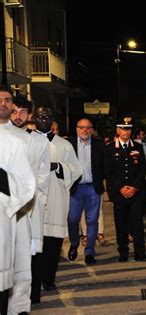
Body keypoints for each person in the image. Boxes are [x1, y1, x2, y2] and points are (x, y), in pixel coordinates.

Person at [33, 107, 83, 293]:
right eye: (40, 116)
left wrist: (59, 167)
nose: (44, 119)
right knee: (34, 244)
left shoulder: (64, 145)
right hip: (34, 201)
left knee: (53, 244)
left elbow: (76, 169)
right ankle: (34, 280)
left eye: (47, 117)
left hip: (55, 199)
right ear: (34, 118)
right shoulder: (26, 141)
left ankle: (49, 279)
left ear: (53, 120)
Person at [8, 95, 50, 309]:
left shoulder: (39, 141)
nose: (18, 116)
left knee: (26, 259)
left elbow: (43, 175)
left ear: (30, 115)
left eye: (23, 112)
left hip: (28, 209)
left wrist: (34, 203)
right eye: (14, 111)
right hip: (4, 207)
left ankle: (21, 306)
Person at [0, 88, 36, 314]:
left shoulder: (16, 142)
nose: (2, 103)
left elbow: (26, 185)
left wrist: (3, 179)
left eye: (7, 100)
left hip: (3, 214)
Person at [104, 117, 146, 261]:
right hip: (119, 193)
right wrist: (121, 187)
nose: (126, 132)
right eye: (123, 129)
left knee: (137, 223)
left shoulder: (138, 147)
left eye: (128, 129)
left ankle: (140, 252)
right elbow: (109, 172)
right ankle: (123, 252)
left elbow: (142, 170)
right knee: (121, 223)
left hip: (135, 193)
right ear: (118, 130)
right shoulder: (110, 148)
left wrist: (134, 187)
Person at [67, 118, 105, 266]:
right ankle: (74, 243)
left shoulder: (99, 145)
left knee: (92, 221)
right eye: (82, 127)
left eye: (88, 127)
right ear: (76, 129)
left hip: (92, 188)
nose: (85, 130)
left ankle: (89, 251)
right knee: (72, 219)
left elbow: (105, 166)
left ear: (92, 130)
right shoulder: (69, 144)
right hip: (75, 188)